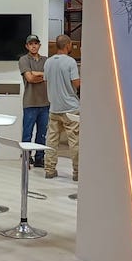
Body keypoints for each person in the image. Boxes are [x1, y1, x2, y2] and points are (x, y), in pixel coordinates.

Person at [42, 34, 80, 181]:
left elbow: (46, 82)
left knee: (51, 140)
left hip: (54, 107)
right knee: (75, 141)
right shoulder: (70, 62)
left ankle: (49, 170)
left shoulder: (48, 62)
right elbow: (76, 83)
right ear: (68, 45)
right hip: (71, 108)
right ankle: (77, 172)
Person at [18, 34, 48, 168]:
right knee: (27, 133)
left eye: (36, 43)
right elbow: (29, 78)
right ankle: (26, 157)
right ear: (27, 46)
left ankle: (39, 158)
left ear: (39, 45)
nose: (33, 46)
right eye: (31, 44)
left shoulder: (46, 60)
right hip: (30, 102)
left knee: (42, 134)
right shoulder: (23, 60)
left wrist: (36, 73)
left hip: (45, 102)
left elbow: (49, 76)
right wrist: (42, 75)